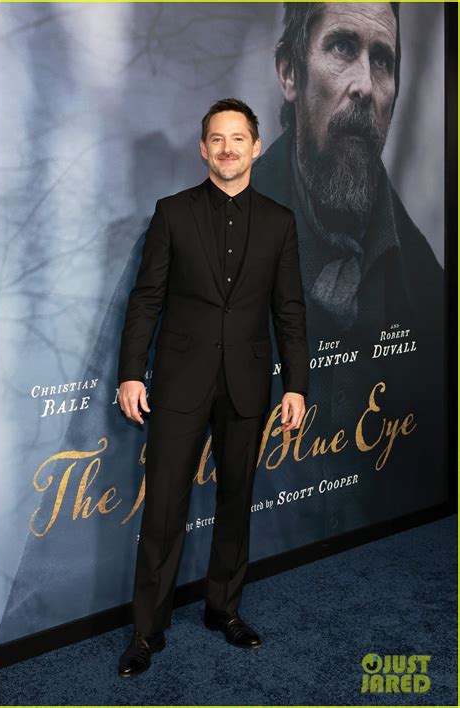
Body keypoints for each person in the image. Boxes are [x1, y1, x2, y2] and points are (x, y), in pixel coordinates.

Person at [116, 98, 309, 677]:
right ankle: (147, 633)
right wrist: (131, 371)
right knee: (164, 510)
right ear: (203, 150)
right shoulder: (171, 213)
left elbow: (290, 311)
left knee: (234, 505)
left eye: (238, 138)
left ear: (255, 146)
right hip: (178, 383)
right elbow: (146, 297)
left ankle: (224, 608)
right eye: (216, 140)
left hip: (248, 384)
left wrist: (297, 385)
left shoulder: (280, 221)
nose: (227, 148)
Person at [251, 2, 444, 532]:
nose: (364, 84)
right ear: (291, 71)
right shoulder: (193, 252)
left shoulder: (431, 294)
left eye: (382, 60)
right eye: (342, 47)